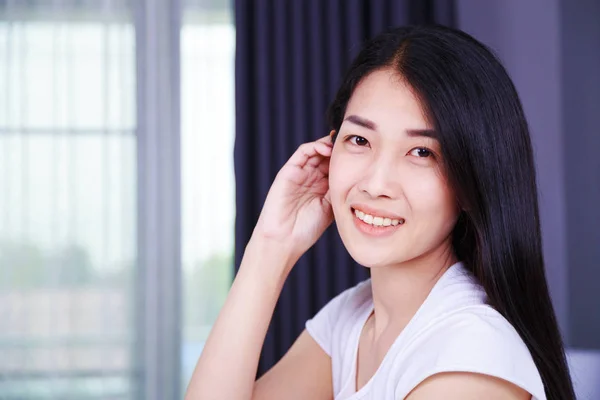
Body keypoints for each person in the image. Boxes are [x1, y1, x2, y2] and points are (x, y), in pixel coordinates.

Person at [185, 25, 575, 400]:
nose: (376, 183)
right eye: (359, 140)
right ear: (330, 149)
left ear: (472, 182)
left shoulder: (471, 358)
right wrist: (270, 247)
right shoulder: (353, 320)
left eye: (421, 152)